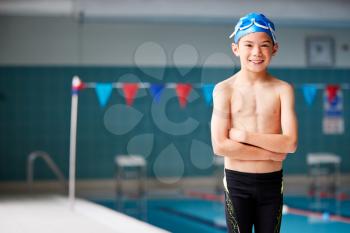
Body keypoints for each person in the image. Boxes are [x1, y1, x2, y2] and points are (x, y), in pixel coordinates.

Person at [210, 12, 298, 233]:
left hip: (272, 184)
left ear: (274, 49)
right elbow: (219, 145)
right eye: (249, 45)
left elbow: (290, 144)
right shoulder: (224, 90)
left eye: (264, 45)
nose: (256, 52)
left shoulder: (283, 90)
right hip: (237, 184)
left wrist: (245, 137)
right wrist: (270, 153)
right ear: (236, 49)